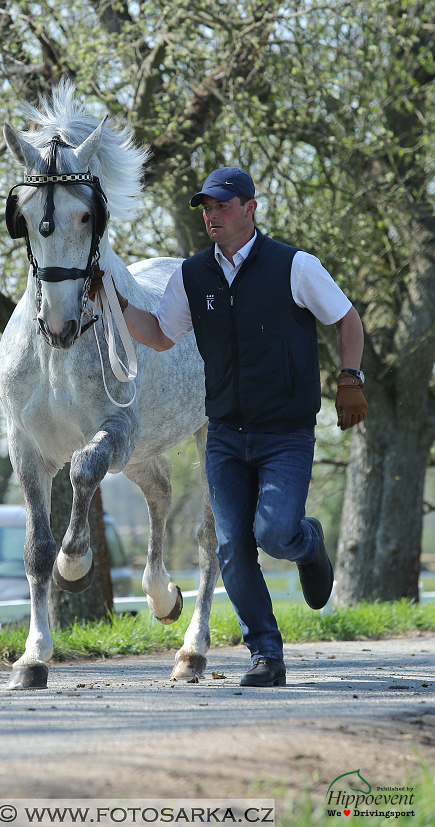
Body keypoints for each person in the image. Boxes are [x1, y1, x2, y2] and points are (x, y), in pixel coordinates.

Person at [91, 167, 367, 687]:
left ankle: (307, 543)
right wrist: (117, 304)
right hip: (225, 434)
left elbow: (346, 319)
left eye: (221, 206)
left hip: (286, 432)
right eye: (205, 208)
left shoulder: (295, 265)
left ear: (250, 208)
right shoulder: (193, 276)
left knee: (274, 532)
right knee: (232, 545)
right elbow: (159, 334)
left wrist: (349, 376)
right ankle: (265, 652)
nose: (211, 215)